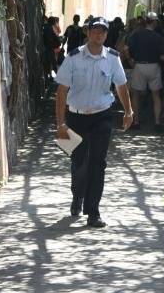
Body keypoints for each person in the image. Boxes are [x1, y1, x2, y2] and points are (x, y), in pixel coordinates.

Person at [55, 17, 133, 228]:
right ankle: (77, 196)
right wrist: (61, 123)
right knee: (79, 163)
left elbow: (121, 86)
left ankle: (93, 211)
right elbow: (62, 91)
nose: (99, 35)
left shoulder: (112, 58)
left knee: (98, 163)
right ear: (88, 33)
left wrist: (128, 111)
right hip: (76, 117)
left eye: (103, 32)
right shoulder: (73, 58)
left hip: (102, 115)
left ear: (107, 35)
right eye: (95, 31)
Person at [127, 11, 164, 133]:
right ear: (154, 22)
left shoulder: (136, 35)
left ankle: (136, 122)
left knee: (136, 94)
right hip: (154, 66)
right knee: (156, 95)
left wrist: (130, 60)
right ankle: (157, 123)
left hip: (139, 66)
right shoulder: (158, 37)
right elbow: (163, 57)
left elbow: (126, 49)